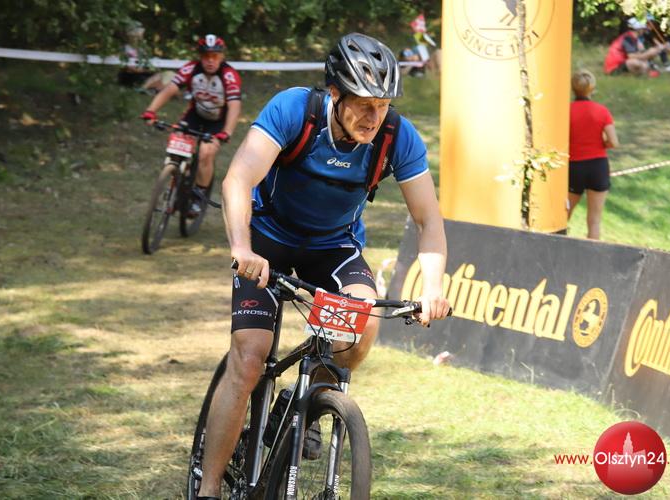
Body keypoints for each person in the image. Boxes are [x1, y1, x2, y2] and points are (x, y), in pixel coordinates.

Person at [196, 33, 451, 498]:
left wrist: (433, 286)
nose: (374, 117)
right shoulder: (296, 110)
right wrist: (242, 247)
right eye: (364, 105)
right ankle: (210, 488)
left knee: (361, 326)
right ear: (335, 92)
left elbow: (428, 219)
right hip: (266, 242)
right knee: (250, 358)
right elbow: (238, 178)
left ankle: (305, 400)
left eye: (383, 105)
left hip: (333, 249)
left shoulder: (397, 137)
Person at [141, 34, 241, 215]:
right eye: (206, 56)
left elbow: (234, 105)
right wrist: (150, 110)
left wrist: (227, 132)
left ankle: (198, 197)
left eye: (215, 56)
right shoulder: (191, 69)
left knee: (205, 153)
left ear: (222, 57)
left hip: (217, 121)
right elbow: (169, 90)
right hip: (195, 115)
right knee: (176, 143)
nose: (210, 61)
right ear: (200, 57)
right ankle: (175, 182)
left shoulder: (229, 75)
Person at [568, 70, 619, 240]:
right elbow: (614, 142)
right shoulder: (602, 111)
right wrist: (602, 144)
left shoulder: (566, 110)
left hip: (574, 166)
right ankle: (593, 254)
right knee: (594, 221)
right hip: (598, 165)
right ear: (592, 88)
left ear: (573, 88)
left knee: (563, 216)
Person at [603, 17, 670, 77]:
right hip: (614, 68)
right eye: (643, 29)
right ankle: (645, 72)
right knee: (635, 62)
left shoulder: (633, 38)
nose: (644, 30)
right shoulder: (627, 38)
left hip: (622, 63)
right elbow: (632, 56)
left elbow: (639, 53)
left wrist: (655, 51)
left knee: (644, 62)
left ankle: (646, 72)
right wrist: (648, 53)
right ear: (638, 29)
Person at [117, 21, 172, 93]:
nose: (138, 38)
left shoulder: (142, 49)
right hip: (130, 74)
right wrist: (146, 70)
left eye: (138, 36)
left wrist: (150, 69)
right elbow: (129, 67)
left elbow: (146, 62)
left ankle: (155, 90)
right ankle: (144, 89)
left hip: (141, 72)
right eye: (135, 36)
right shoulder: (125, 48)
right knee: (157, 77)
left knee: (164, 75)